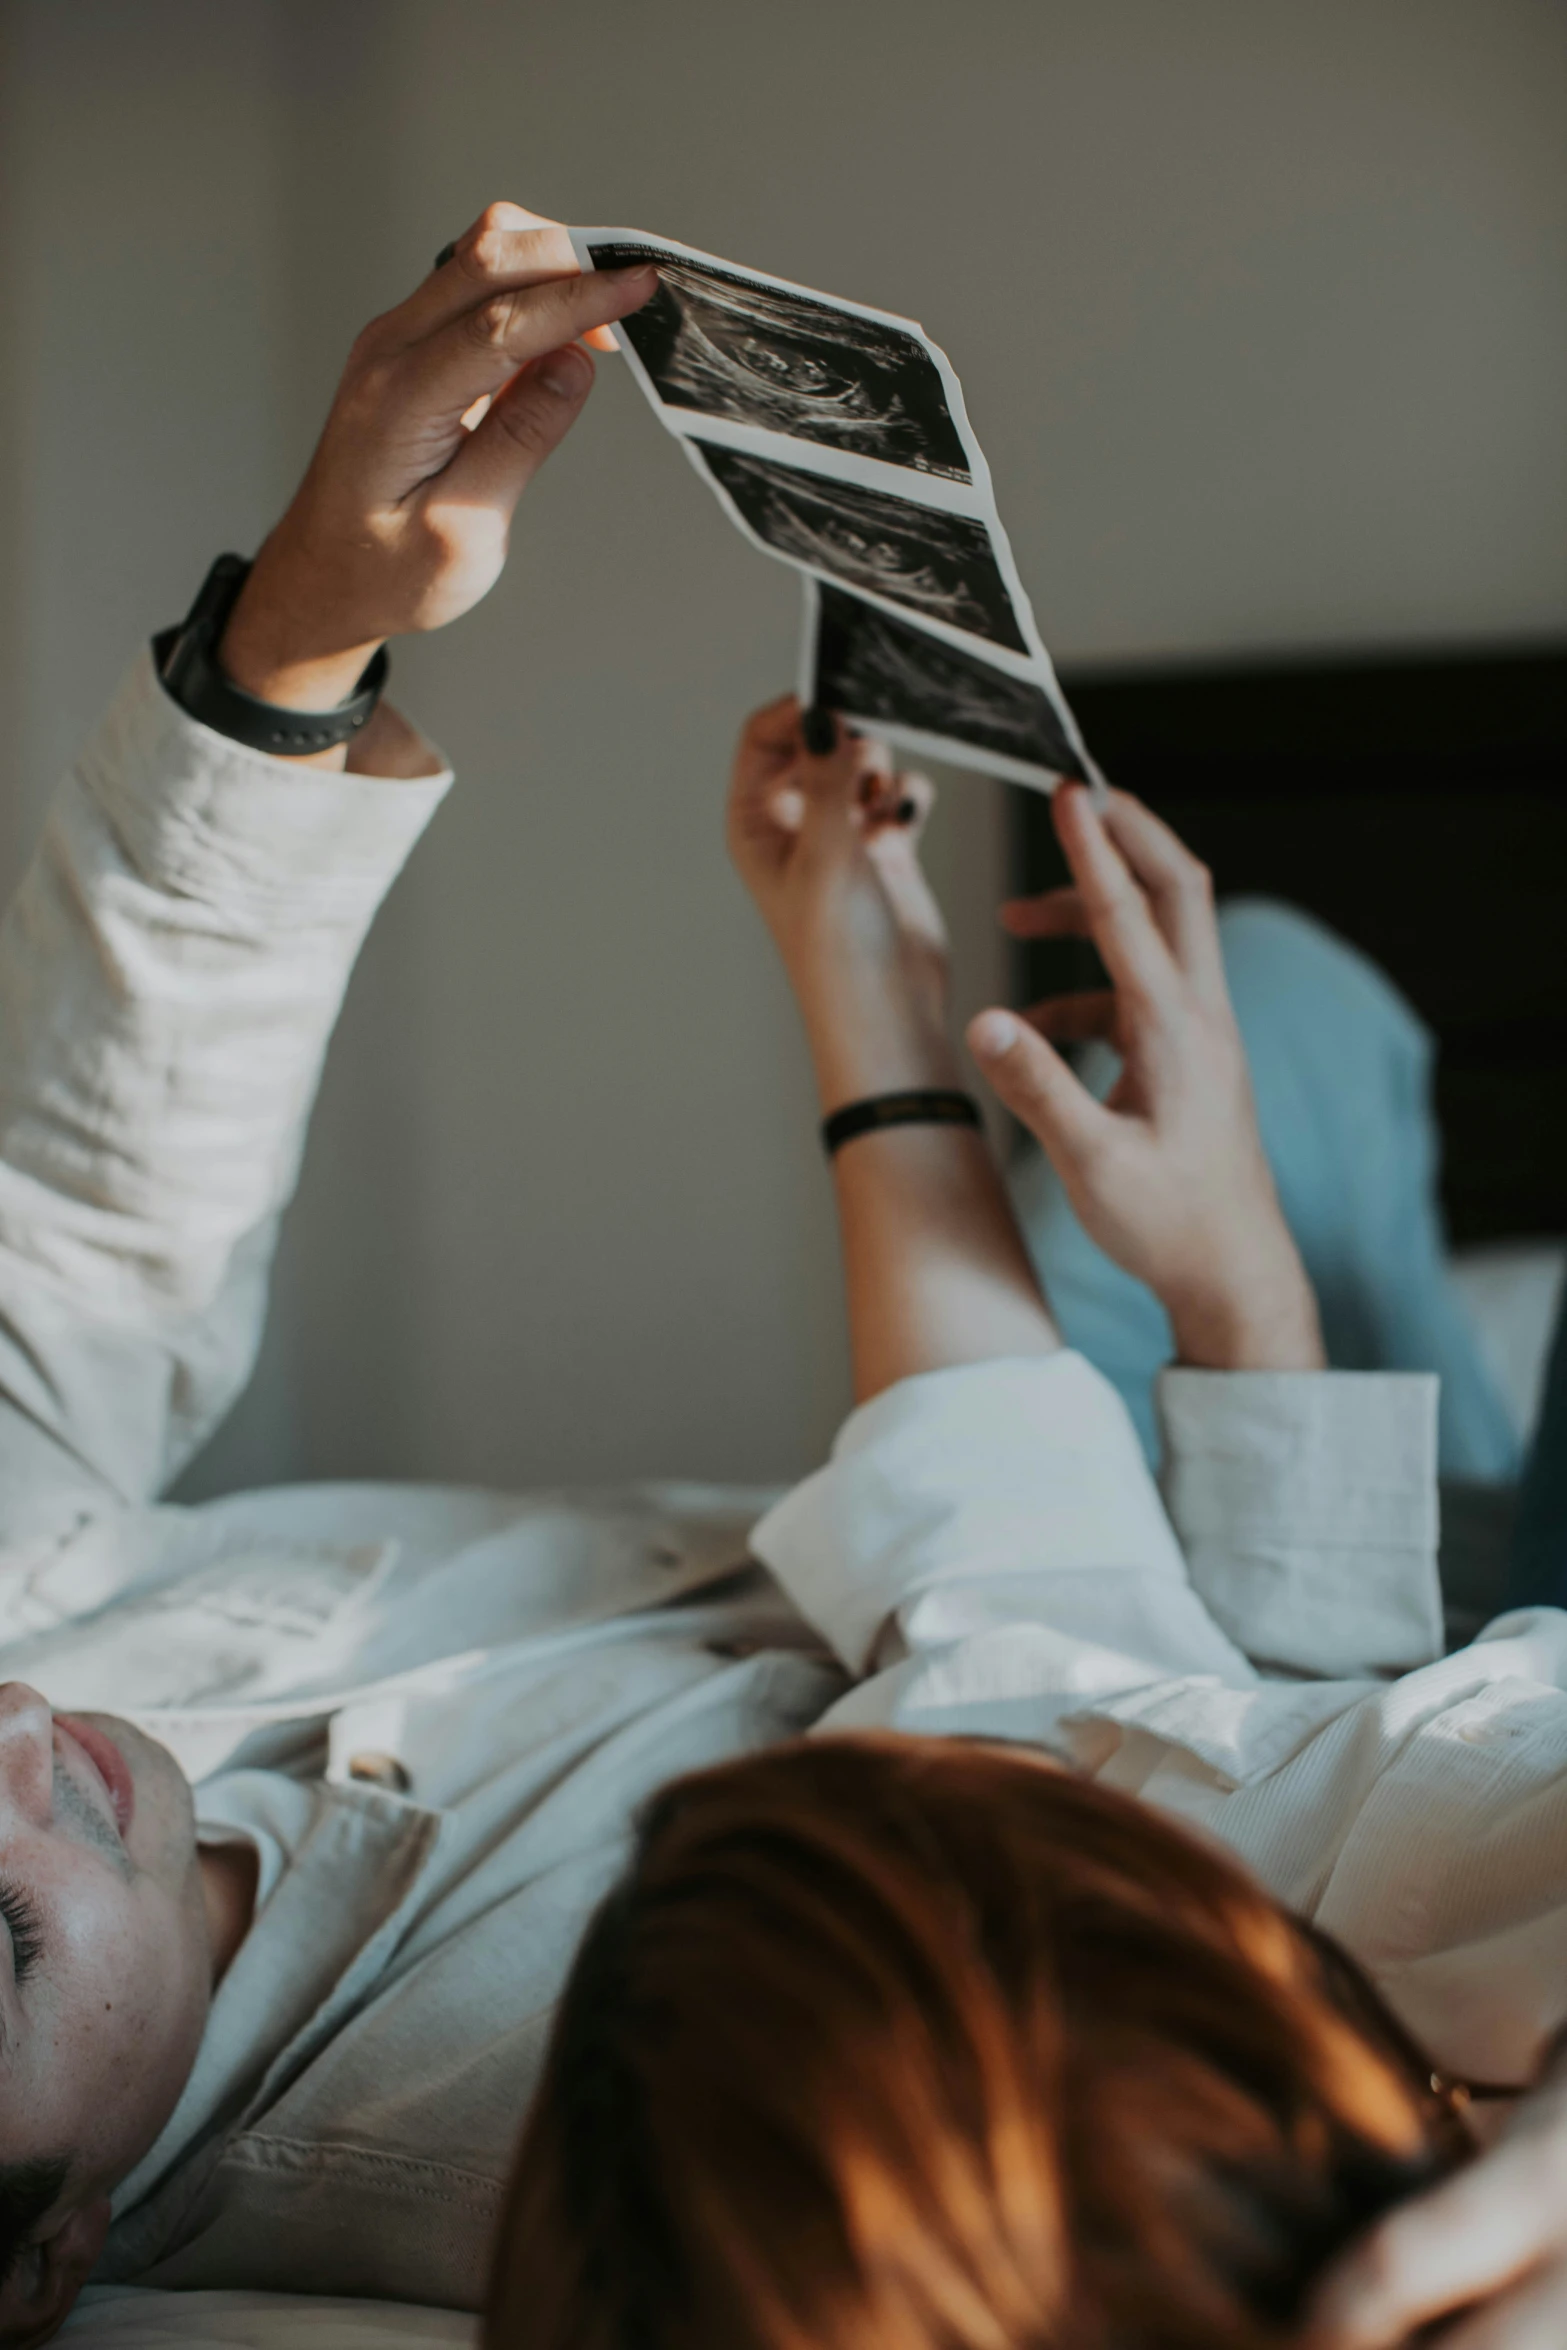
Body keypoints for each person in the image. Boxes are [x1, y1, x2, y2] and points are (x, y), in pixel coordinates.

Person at [0, 188, 1553, 2350]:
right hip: (1209, 1602)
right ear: (50, 2258)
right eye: (2, 1939)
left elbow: (78, 1230)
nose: (13, 1738)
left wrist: (292, 646)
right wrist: (1235, 1301)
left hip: (1020, 1497)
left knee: (1265, 986)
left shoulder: (42, 1661)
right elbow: (1200, 1749)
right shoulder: (624, 2130)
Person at [483, 707, 1567, 2348]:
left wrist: (871, 984)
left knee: (1249, 999)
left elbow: (1013, 1611)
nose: (1034, 1766)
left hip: (1383, 1634)